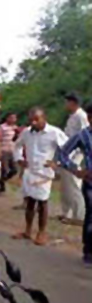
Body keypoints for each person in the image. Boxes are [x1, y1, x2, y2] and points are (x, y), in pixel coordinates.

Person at [12, 107, 68, 246]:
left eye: (37, 119)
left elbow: (69, 148)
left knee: (42, 203)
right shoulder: (26, 133)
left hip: (44, 173)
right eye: (31, 120)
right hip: (30, 171)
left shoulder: (54, 133)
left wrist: (58, 162)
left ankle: (41, 232)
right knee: (29, 202)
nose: (34, 122)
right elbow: (17, 146)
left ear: (44, 118)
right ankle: (27, 231)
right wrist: (19, 158)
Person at [57, 102, 92, 265]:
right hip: (90, 182)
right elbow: (63, 153)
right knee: (91, 216)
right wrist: (76, 170)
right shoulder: (83, 136)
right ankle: (88, 252)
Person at [58, 93, 88, 225]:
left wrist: (78, 155)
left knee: (74, 184)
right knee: (66, 185)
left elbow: (84, 135)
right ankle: (67, 213)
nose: (66, 105)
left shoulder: (81, 116)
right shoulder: (72, 116)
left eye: (68, 102)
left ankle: (79, 215)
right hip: (67, 152)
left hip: (76, 153)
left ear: (74, 103)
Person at [0, 113, 19, 194]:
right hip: (4, 150)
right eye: (12, 117)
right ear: (7, 118)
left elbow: (16, 139)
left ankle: (1, 181)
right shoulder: (2, 127)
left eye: (15, 118)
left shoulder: (15, 128)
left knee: (14, 170)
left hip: (12, 151)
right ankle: (2, 186)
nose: (13, 119)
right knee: (4, 170)